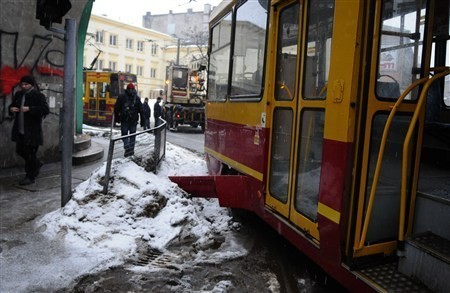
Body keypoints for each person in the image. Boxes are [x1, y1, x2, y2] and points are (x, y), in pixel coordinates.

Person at [9, 75, 49, 185]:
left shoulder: (38, 96)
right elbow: (12, 106)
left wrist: (30, 109)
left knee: (30, 154)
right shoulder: (19, 95)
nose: (23, 86)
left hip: (32, 131)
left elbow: (45, 109)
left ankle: (30, 177)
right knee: (20, 150)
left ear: (31, 85)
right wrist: (11, 109)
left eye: (26, 84)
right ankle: (36, 164)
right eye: (22, 84)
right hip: (20, 129)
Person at [114, 83, 142, 157]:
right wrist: (142, 121)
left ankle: (127, 148)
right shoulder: (137, 98)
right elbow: (141, 110)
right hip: (134, 120)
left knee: (124, 135)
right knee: (133, 136)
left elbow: (116, 108)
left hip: (124, 119)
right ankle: (131, 151)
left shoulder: (121, 96)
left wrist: (117, 118)